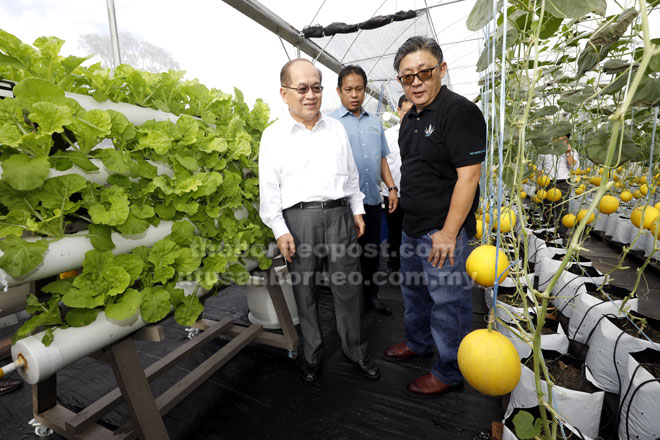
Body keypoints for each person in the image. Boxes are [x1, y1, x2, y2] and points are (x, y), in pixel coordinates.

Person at [259, 58, 380, 383]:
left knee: (349, 288)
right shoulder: (273, 136)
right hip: (299, 221)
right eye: (302, 88)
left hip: (340, 215)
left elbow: (351, 176)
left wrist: (356, 210)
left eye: (316, 87)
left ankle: (355, 350)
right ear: (284, 93)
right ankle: (311, 355)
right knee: (305, 291)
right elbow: (269, 189)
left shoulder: (335, 128)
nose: (310, 95)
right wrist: (280, 229)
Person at [383, 36, 487, 396]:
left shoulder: (459, 112)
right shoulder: (409, 118)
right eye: (407, 77)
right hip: (412, 227)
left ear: (441, 70)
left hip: (442, 232)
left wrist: (447, 232)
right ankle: (418, 342)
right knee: (413, 294)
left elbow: (468, 177)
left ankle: (447, 370)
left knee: (448, 303)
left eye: (424, 73)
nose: (416, 82)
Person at [329, 65, 398, 316]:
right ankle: (350, 304)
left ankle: (371, 297)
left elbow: (382, 159)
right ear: (339, 91)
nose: (354, 94)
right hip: (343, 204)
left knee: (371, 254)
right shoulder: (330, 124)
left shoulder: (375, 123)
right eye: (348, 89)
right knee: (346, 258)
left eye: (359, 89)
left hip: (370, 199)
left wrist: (391, 188)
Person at [381, 95, 413, 273]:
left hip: (415, 193)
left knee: (413, 231)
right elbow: (382, 162)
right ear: (398, 111)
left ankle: (412, 264)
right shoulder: (387, 135)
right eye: (406, 111)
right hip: (392, 192)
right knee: (394, 230)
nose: (408, 115)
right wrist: (390, 187)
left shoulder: (422, 132)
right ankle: (394, 263)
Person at [536, 134, 579, 234]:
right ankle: (548, 230)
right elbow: (539, 169)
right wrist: (538, 185)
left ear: (567, 141)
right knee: (546, 207)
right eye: (558, 139)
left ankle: (561, 233)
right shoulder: (545, 151)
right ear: (553, 139)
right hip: (547, 182)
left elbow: (573, 166)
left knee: (562, 208)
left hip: (564, 182)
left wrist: (568, 153)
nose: (561, 142)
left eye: (564, 140)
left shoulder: (572, 151)